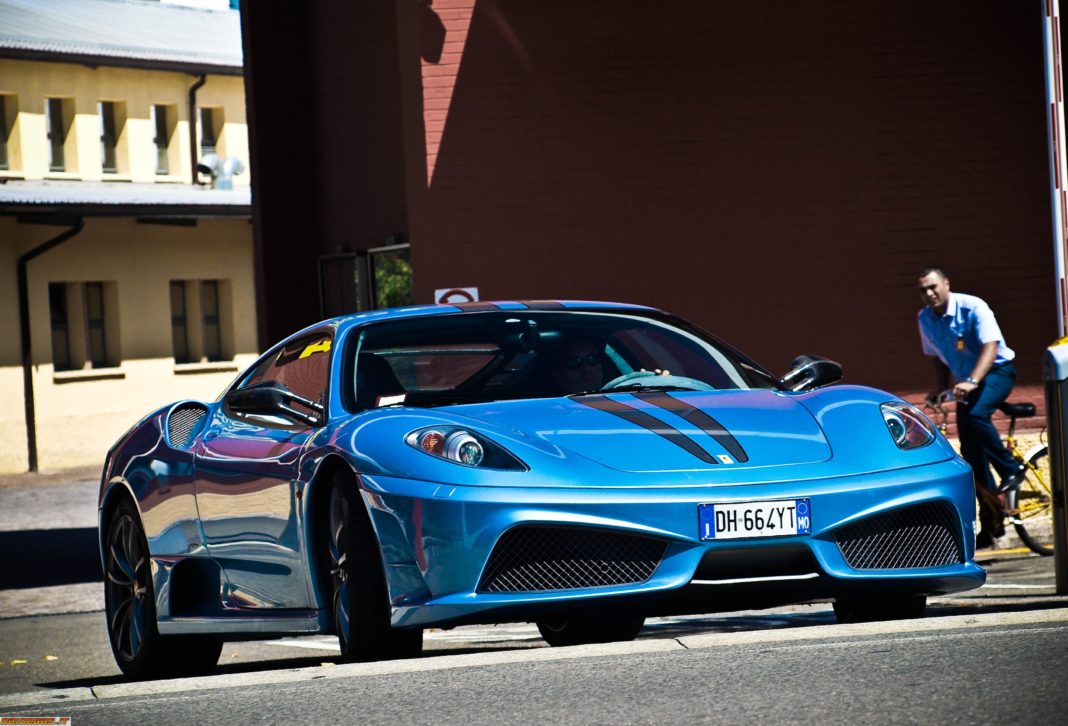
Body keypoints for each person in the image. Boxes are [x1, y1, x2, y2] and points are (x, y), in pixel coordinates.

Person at [916, 268, 1025, 548]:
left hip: (996, 373)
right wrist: (942, 388)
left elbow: (991, 347)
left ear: (946, 284)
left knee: (976, 415)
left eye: (933, 286)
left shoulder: (973, 306)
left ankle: (1011, 469)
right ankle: (991, 527)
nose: (929, 294)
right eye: (923, 290)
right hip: (967, 383)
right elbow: (937, 358)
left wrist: (974, 380)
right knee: (971, 454)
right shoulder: (925, 318)